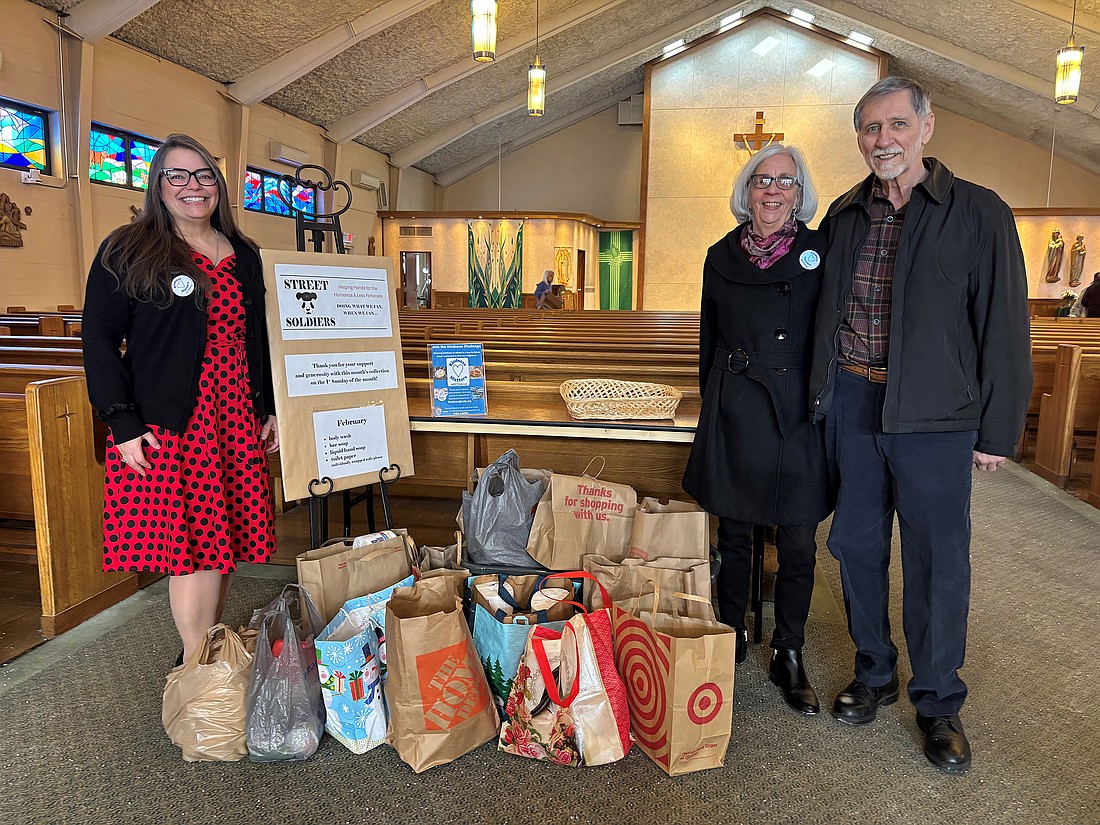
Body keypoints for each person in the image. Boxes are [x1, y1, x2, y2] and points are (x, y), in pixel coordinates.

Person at [809, 77, 1031, 773]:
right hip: (854, 406)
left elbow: (1003, 327)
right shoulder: (845, 215)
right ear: (860, 139)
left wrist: (998, 430)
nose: (885, 140)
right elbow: (822, 316)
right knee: (857, 545)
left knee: (938, 563)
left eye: (897, 125)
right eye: (872, 129)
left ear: (926, 128)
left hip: (936, 420)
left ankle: (937, 700)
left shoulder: (979, 212)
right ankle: (874, 671)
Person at [82, 134, 279, 668]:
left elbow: (258, 337)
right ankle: (196, 667)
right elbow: (98, 339)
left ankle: (206, 651)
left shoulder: (244, 253)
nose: (193, 187)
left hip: (235, 413)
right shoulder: (127, 248)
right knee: (190, 547)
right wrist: (121, 423)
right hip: (173, 420)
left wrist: (270, 408)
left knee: (224, 538)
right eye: (178, 176)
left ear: (218, 186)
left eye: (204, 176)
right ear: (158, 186)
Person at [682, 142, 829, 716]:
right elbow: (708, 338)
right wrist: (715, 404)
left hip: (797, 411)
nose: (773, 190)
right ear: (746, 192)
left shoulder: (821, 251)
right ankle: (731, 630)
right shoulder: (720, 255)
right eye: (762, 180)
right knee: (735, 534)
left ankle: (788, 649)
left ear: (800, 193)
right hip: (738, 402)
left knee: (797, 539)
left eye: (785, 182)